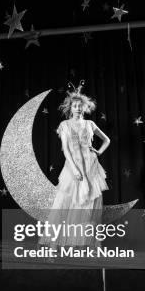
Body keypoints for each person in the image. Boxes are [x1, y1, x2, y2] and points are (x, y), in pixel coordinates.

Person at [40, 81, 110, 248]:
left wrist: (99, 151)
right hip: (73, 167)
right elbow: (65, 149)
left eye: (80, 106)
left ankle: (91, 242)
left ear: (84, 107)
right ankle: (55, 242)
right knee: (64, 202)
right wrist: (74, 169)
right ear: (70, 108)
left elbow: (107, 140)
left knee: (90, 204)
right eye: (75, 106)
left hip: (91, 166)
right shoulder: (64, 125)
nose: (78, 108)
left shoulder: (90, 124)